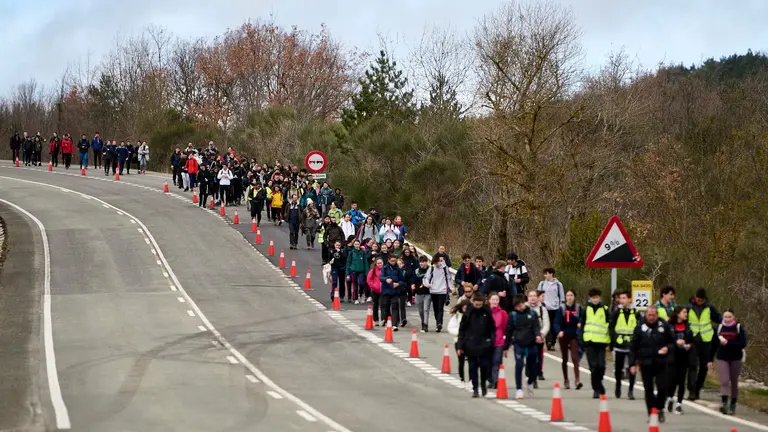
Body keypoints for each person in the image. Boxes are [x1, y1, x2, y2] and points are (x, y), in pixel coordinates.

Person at [629, 306, 675, 423]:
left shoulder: (663, 326)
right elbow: (633, 348)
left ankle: (660, 408)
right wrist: (632, 364)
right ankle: (651, 412)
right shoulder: (640, 328)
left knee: (663, 387)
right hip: (646, 363)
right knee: (648, 389)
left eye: (653, 315)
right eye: (649, 315)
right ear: (646, 315)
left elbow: (672, 342)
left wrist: (667, 348)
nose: (651, 317)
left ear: (657, 315)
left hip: (661, 363)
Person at [685, 288, 722, 401]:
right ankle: (691, 390)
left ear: (704, 299)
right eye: (697, 299)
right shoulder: (688, 308)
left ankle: (697, 389)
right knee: (692, 366)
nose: (699, 301)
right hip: (692, 340)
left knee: (703, 367)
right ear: (695, 297)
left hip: (706, 341)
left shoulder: (709, 307)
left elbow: (719, 319)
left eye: (701, 300)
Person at [457, 292, 496, 398]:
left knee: (484, 366)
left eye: (480, 304)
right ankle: (475, 388)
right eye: (476, 304)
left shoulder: (486, 312)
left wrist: (491, 340)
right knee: (472, 367)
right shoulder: (468, 313)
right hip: (470, 345)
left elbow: (492, 328)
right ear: (473, 302)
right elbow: (462, 330)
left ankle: (483, 385)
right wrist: (460, 345)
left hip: (484, 344)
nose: (478, 306)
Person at [503, 294, 541, 399]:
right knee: (519, 365)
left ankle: (530, 381)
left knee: (533, 367)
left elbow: (536, 327)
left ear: (524, 303)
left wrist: (538, 335)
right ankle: (519, 389)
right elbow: (509, 331)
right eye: (516, 307)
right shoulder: (513, 315)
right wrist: (506, 347)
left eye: (520, 305)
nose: (519, 308)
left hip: (531, 344)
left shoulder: (533, 314)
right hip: (519, 344)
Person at [712, 309, 747, 415]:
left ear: (733, 317)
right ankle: (724, 404)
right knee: (724, 381)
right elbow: (713, 344)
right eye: (725, 317)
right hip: (722, 357)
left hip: (736, 358)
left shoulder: (738, 328)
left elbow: (742, 344)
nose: (727, 319)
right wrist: (709, 358)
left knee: (734, 382)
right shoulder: (719, 328)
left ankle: (733, 404)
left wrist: (728, 343)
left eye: (729, 317)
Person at [580, 288, 610, 398]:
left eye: (597, 297)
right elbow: (582, 326)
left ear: (600, 297)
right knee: (593, 366)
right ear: (590, 298)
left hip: (602, 342)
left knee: (601, 366)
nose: (595, 300)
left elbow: (609, 326)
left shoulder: (605, 310)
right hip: (590, 342)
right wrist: (582, 341)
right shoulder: (585, 310)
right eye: (593, 297)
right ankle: (596, 388)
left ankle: (599, 383)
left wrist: (610, 341)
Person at [609, 290, 639, 400]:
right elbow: (611, 328)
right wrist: (613, 341)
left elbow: (639, 329)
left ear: (630, 299)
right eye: (621, 298)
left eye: (624, 298)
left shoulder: (636, 313)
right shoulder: (616, 312)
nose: (622, 300)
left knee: (632, 368)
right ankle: (618, 385)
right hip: (619, 345)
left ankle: (631, 390)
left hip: (631, 346)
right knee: (618, 368)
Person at [667, 306, 694, 414]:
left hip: (684, 357)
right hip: (672, 357)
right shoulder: (670, 326)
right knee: (672, 381)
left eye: (686, 312)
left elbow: (692, 340)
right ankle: (670, 398)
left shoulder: (687, 326)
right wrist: (675, 342)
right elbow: (666, 340)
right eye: (684, 312)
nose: (686, 314)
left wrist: (689, 345)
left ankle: (679, 405)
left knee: (681, 381)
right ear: (678, 313)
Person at [553, 289, 582, 390]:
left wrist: (580, 324)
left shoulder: (578, 308)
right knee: (565, 358)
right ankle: (566, 380)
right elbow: (556, 322)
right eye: (568, 295)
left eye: (571, 295)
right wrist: (558, 331)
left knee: (575, 357)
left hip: (574, 335)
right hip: (564, 335)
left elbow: (582, 318)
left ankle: (577, 380)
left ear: (574, 297)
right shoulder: (562, 308)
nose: (569, 297)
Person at [423, 255, 454, 333]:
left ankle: (439, 323)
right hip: (433, 290)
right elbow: (426, 278)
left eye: (438, 262)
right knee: (436, 308)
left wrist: (452, 288)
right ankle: (438, 322)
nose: (437, 264)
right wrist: (427, 284)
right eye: (435, 262)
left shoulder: (444, 268)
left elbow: (449, 278)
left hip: (442, 290)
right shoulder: (432, 268)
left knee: (440, 308)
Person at [537, 268, 565, 351]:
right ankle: (549, 342)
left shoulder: (558, 284)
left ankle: (553, 342)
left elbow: (562, 296)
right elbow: (538, 294)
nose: (545, 275)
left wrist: (562, 307)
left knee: (554, 325)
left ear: (552, 274)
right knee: (547, 324)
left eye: (547, 273)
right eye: (544, 274)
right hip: (545, 307)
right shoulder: (542, 284)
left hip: (556, 308)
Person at [528, 290, 550, 386]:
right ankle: (530, 375)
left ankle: (535, 376)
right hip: (527, 338)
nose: (532, 298)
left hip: (539, 338)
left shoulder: (542, 309)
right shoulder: (524, 308)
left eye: (534, 296)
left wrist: (542, 334)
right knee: (530, 358)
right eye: (530, 296)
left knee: (537, 359)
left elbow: (546, 323)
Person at [488, 292, 508, 390]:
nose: (495, 301)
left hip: (499, 340)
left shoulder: (503, 313)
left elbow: (505, 327)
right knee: (488, 361)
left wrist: (506, 341)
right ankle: (490, 379)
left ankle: (495, 380)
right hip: (487, 340)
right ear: (489, 300)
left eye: (496, 299)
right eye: (493, 299)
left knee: (497, 361)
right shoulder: (486, 312)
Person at [448, 298, 470, 388]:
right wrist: (460, 332)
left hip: (470, 342)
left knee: (472, 362)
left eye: (467, 308)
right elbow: (450, 328)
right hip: (459, 341)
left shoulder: (472, 315)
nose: (465, 310)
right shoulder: (457, 316)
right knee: (461, 361)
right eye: (464, 308)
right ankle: (462, 379)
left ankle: (471, 380)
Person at [380, 255, 403, 330]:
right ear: (389, 260)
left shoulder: (398, 269)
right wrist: (386, 279)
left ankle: (394, 324)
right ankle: (386, 320)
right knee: (386, 306)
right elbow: (381, 278)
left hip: (395, 291)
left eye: (394, 261)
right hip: (386, 291)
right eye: (392, 261)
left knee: (395, 307)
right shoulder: (385, 268)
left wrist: (398, 284)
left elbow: (402, 280)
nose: (393, 262)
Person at [345, 239, 368, 304]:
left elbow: (365, 262)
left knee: (361, 283)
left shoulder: (363, 253)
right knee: (355, 285)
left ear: (360, 245)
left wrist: (366, 272)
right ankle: (355, 298)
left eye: (358, 244)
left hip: (361, 271)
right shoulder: (351, 253)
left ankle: (361, 294)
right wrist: (347, 273)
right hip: (353, 270)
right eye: (355, 244)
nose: (356, 245)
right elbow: (348, 263)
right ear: (353, 245)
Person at [413, 256, 431, 332]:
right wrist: (413, 284)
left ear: (427, 262)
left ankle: (426, 325)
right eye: (421, 262)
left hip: (428, 293)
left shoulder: (430, 270)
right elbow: (413, 279)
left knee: (426, 309)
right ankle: (423, 322)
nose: (422, 264)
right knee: (420, 310)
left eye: (424, 262)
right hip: (418, 293)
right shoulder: (417, 271)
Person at [367, 258, 384, 325]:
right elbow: (369, 280)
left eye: (381, 263)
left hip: (383, 290)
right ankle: (375, 320)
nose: (380, 264)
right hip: (374, 290)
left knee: (383, 305)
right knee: (375, 305)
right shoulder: (373, 270)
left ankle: (383, 319)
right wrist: (373, 286)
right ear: (376, 264)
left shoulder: (385, 270)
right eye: (378, 263)